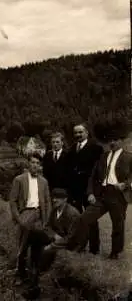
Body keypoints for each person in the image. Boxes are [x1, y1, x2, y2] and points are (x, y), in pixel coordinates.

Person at [66, 123, 132, 259]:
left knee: (117, 225)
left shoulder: (129, 157)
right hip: (101, 194)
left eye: (115, 140)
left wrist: (126, 184)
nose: (112, 143)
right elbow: (93, 176)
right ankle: (80, 245)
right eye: (110, 140)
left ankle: (115, 253)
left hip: (118, 195)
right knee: (84, 219)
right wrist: (90, 193)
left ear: (121, 141)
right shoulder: (103, 156)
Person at [24, 188, 83, 298]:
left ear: (65, 199)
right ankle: (32, 266)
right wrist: (54, 236)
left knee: (46, 252)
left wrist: (51, 246)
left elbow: (71, 239)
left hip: (69, 244)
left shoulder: (73, 214)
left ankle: (35, 285)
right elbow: (46, 227)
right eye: (54, 198)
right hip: (56, 237)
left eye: (58, 198)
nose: (55, 200)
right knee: (34, 234)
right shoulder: (55, 210)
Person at [8, 153, 51, 288]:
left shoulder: (44, 181)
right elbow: (13, 201)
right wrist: (18, 218)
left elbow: (48, 202)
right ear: (28, 164)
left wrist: (46, 219)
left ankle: (34, 276)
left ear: (40, 166)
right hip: (26, 213)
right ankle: (20, 274)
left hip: (39, 215)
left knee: (37, 245)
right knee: (23, 245)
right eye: (32, 162)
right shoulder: (19, 180)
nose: (35, 165)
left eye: (37, 163)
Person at [65, 123, 103, 254]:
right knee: (76, 219)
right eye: (75, 133)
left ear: (87, 132)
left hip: (89, 190)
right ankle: (79, 245)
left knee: (91, 219)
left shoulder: (96, 148)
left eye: (80, 132)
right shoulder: (71, 149)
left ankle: (94, 248)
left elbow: (99, 172)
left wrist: (94, 191)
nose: (78, 135)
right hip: (75, 190)